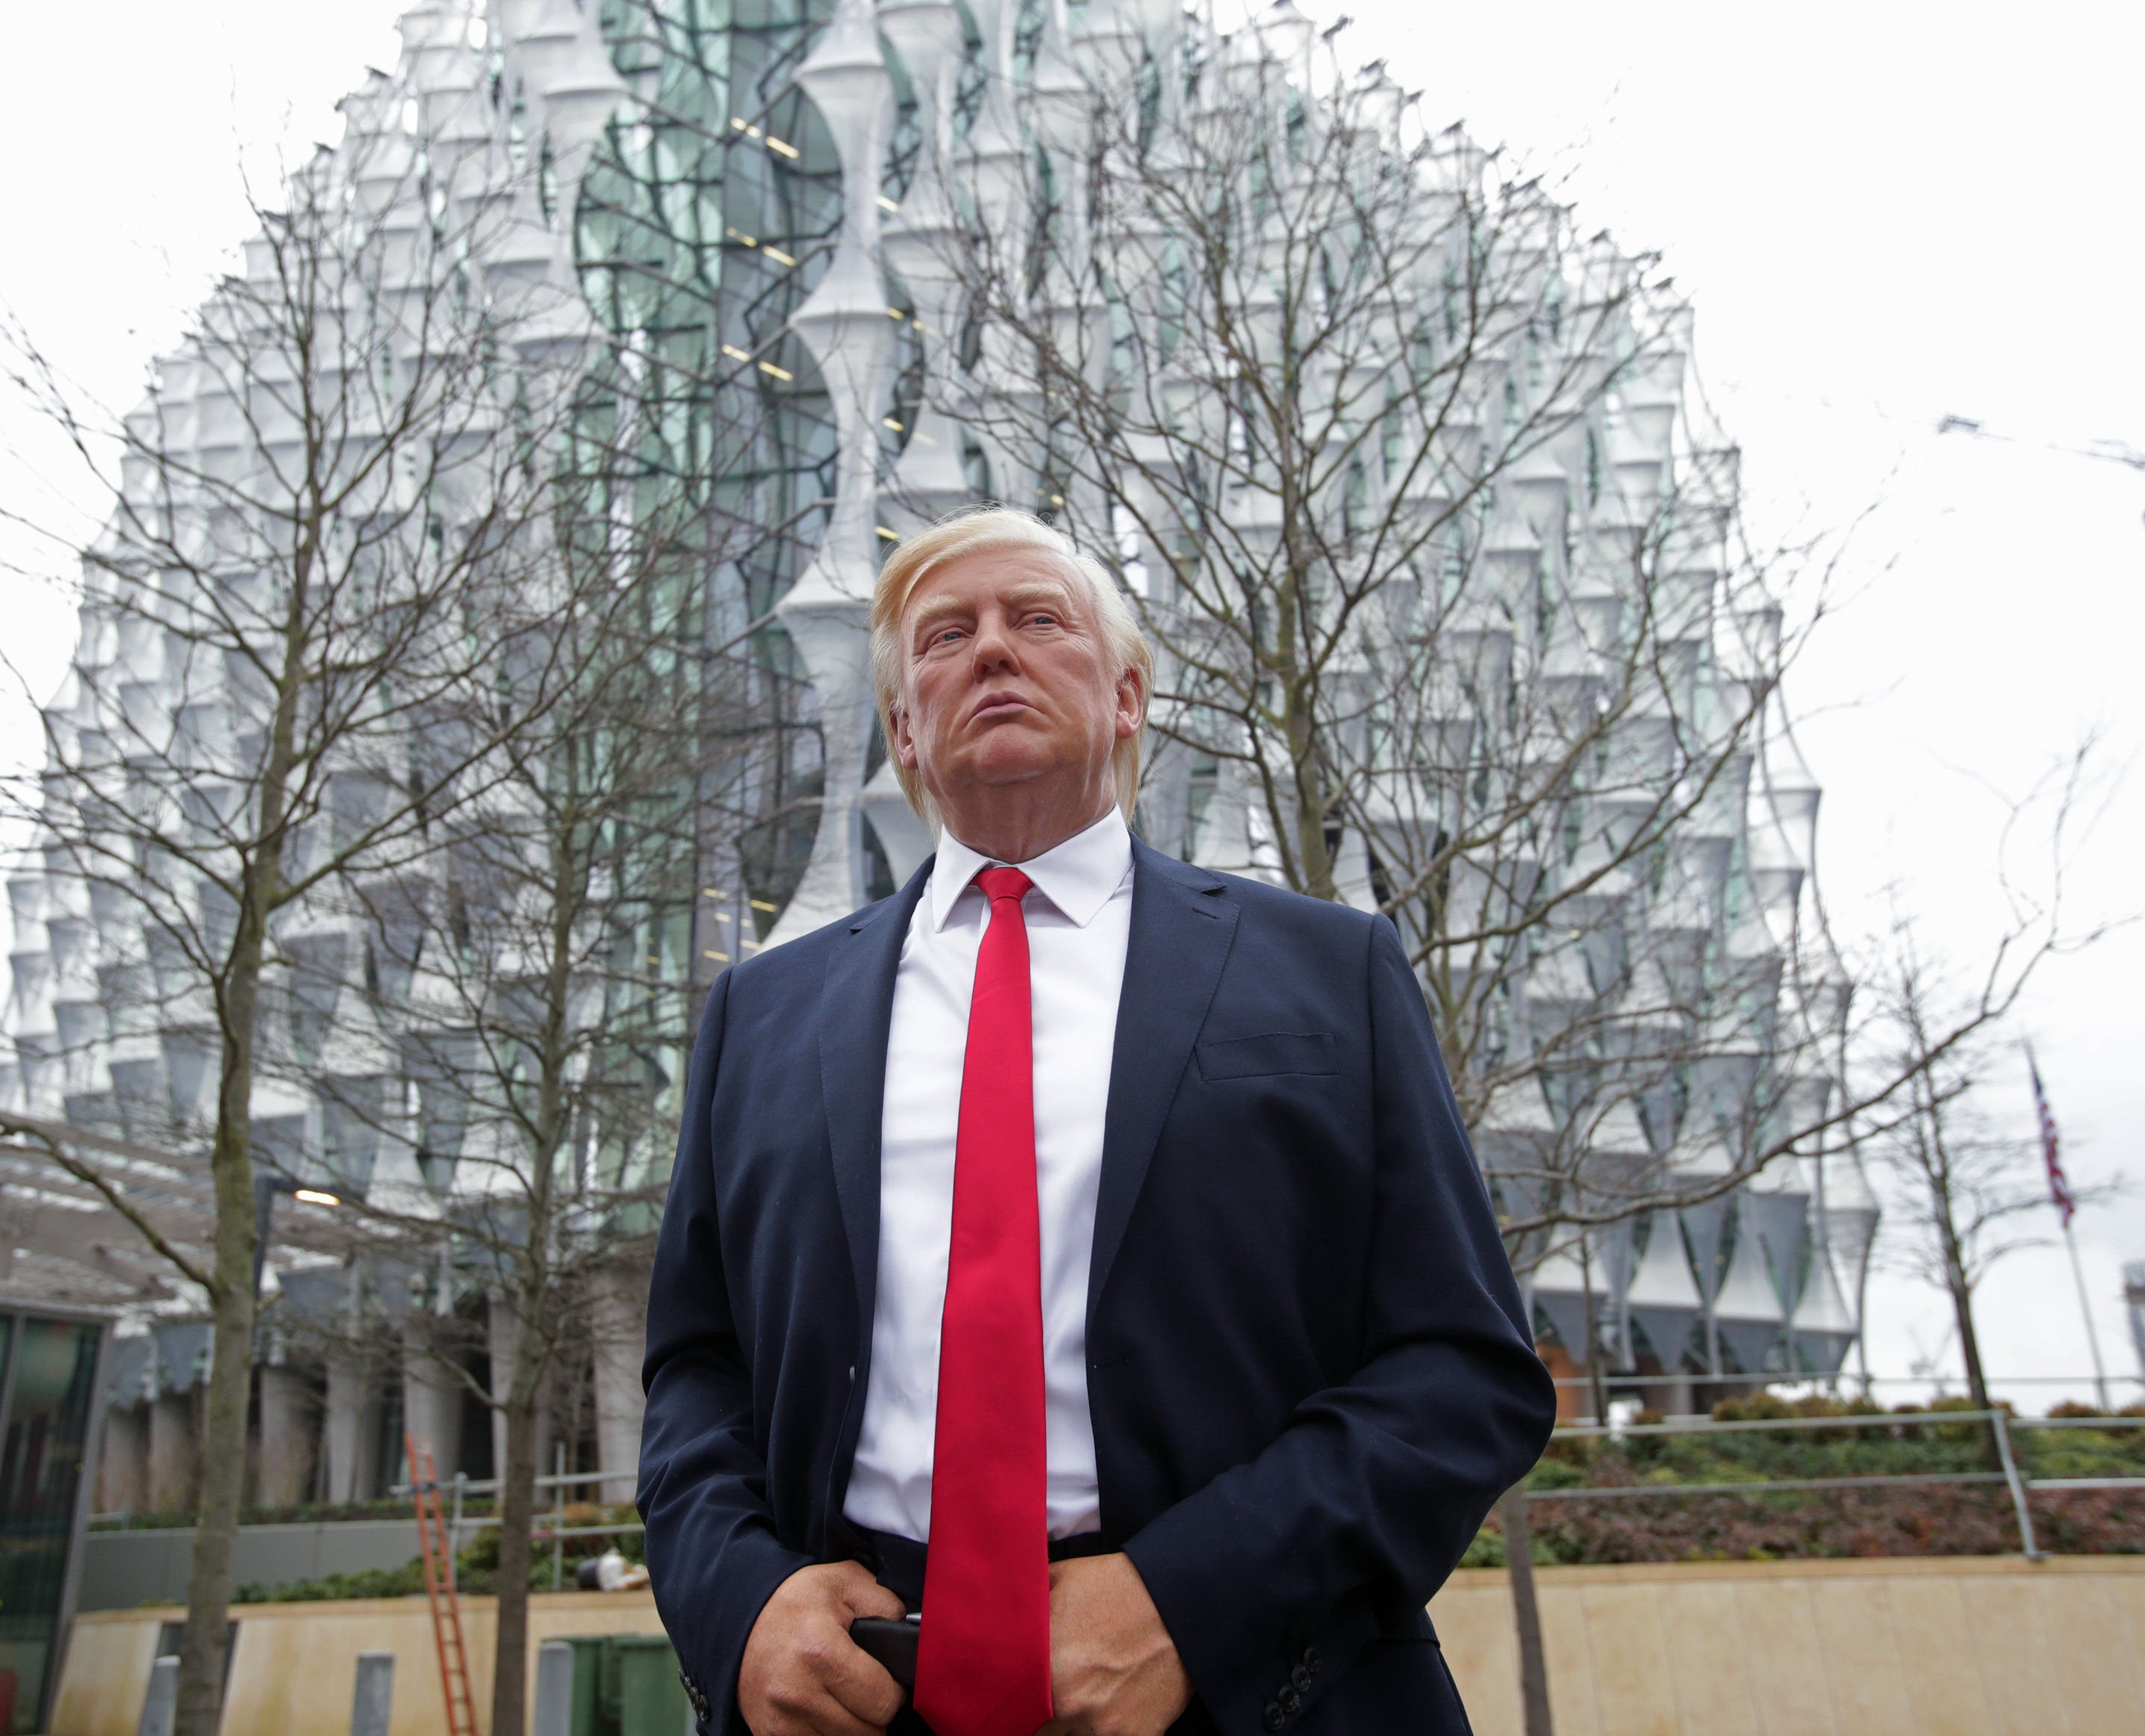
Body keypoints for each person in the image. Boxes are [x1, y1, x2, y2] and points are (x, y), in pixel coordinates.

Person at [639, 507, 1556, 1736]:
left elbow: (1464, 1369)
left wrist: (1190, 1600)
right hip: (853, 1682)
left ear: (1126, 697)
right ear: (905, 727)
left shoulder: (1329, 969)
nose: (992, 651)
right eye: (946, 634)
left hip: (1245, 1674)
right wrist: (742, 1604)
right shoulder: (762, 1010)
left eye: (1038, 619)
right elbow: (697, 1375)